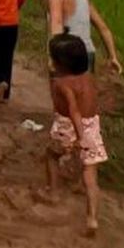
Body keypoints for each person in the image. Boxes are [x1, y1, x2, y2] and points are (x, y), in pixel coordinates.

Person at [46, 33, 106, 236]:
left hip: (70, 125)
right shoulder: (89, 77)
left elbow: (73, 111)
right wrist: (86, 136)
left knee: (52, 155)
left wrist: (78, 136)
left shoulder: (61, 84)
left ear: (60, 64)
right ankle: (92, 218)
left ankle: (53, 192)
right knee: (91, 174)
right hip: (92, 125)